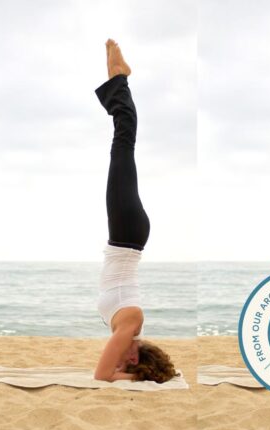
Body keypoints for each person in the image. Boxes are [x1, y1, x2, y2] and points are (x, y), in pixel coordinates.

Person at [93, 39, 176, 383]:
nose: (122, 360)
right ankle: (120, 82)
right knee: (123, 147)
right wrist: (131, 377)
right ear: (141, 355)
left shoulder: (129, 325)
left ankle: (118, 84)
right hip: (127, 235)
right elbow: (102, 375)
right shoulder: (131, 322)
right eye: (131, 362)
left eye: (125, 365)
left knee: (121, 150)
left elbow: (106, 373)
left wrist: (128, 375)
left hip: (127, 236)